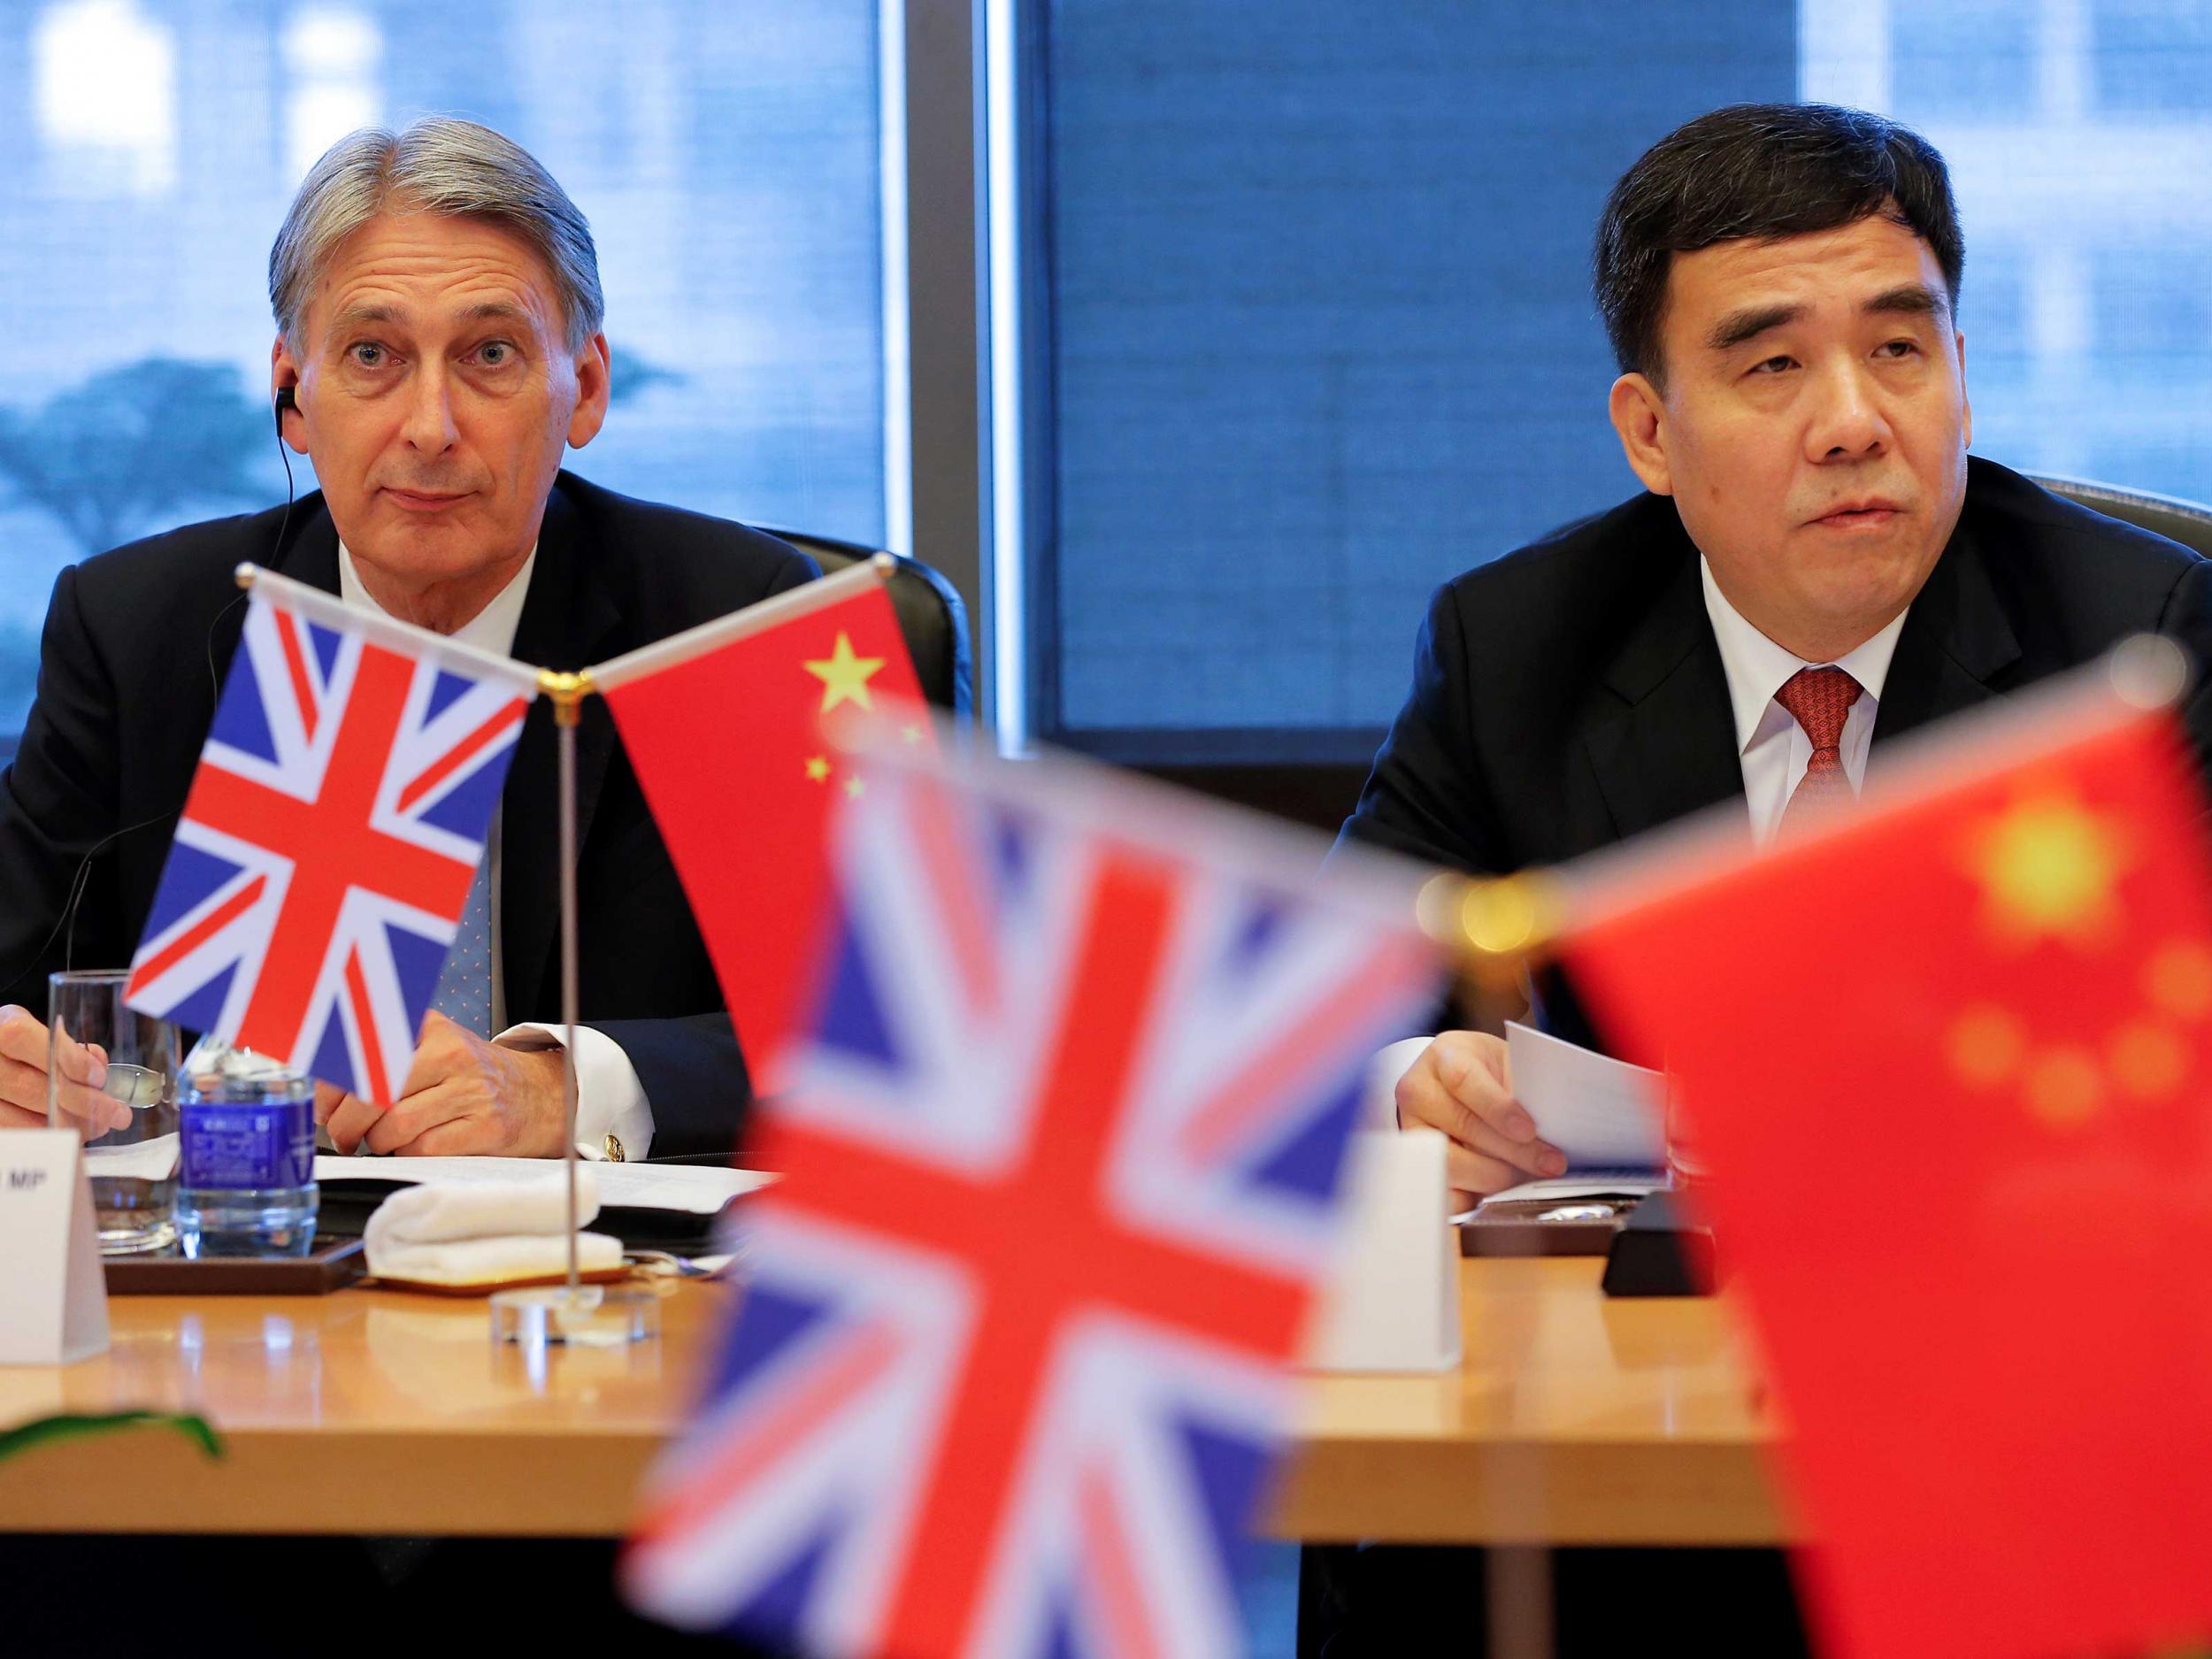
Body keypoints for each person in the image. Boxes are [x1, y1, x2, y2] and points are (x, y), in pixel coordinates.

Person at [1341, 102, 2212, 1206]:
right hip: (1649, 1320)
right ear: (1650, 434)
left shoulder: (2136, 649)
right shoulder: (1514, 647)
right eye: (1772, 366)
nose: (1852, 422)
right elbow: (1329, 1008)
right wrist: (1417, 1082)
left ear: (1961, 374)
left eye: (1897, 349)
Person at [0, 118, 816, 1159]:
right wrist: (22, 1072)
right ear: (294, 395)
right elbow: (22, 985)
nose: (430, 426)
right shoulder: (141, 626)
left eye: (489, 354)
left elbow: (896, 1041)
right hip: (249, 1278)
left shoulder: (730, 622)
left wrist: (572, 1087)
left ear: (587, 388)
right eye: (374, 355)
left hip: (611, 1280)